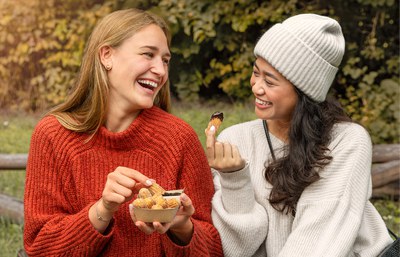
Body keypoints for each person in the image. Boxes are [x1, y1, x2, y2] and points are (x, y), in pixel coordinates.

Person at [24, 8, 223, 256]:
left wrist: (182, 227)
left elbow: (214, 248)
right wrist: (102, 209)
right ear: (107, 55)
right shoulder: (53, 135)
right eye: (148, 54)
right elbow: (39, 248)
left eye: (165, 60)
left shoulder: (179, 137)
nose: (160, 71)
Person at [206, 13, 394, 257]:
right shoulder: (235, 140)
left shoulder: (346, 141)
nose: (256, 86)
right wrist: (234, 179)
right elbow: (234, 250)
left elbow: (317, 244)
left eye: (270, 81)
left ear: (304, 91)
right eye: (256, 72)